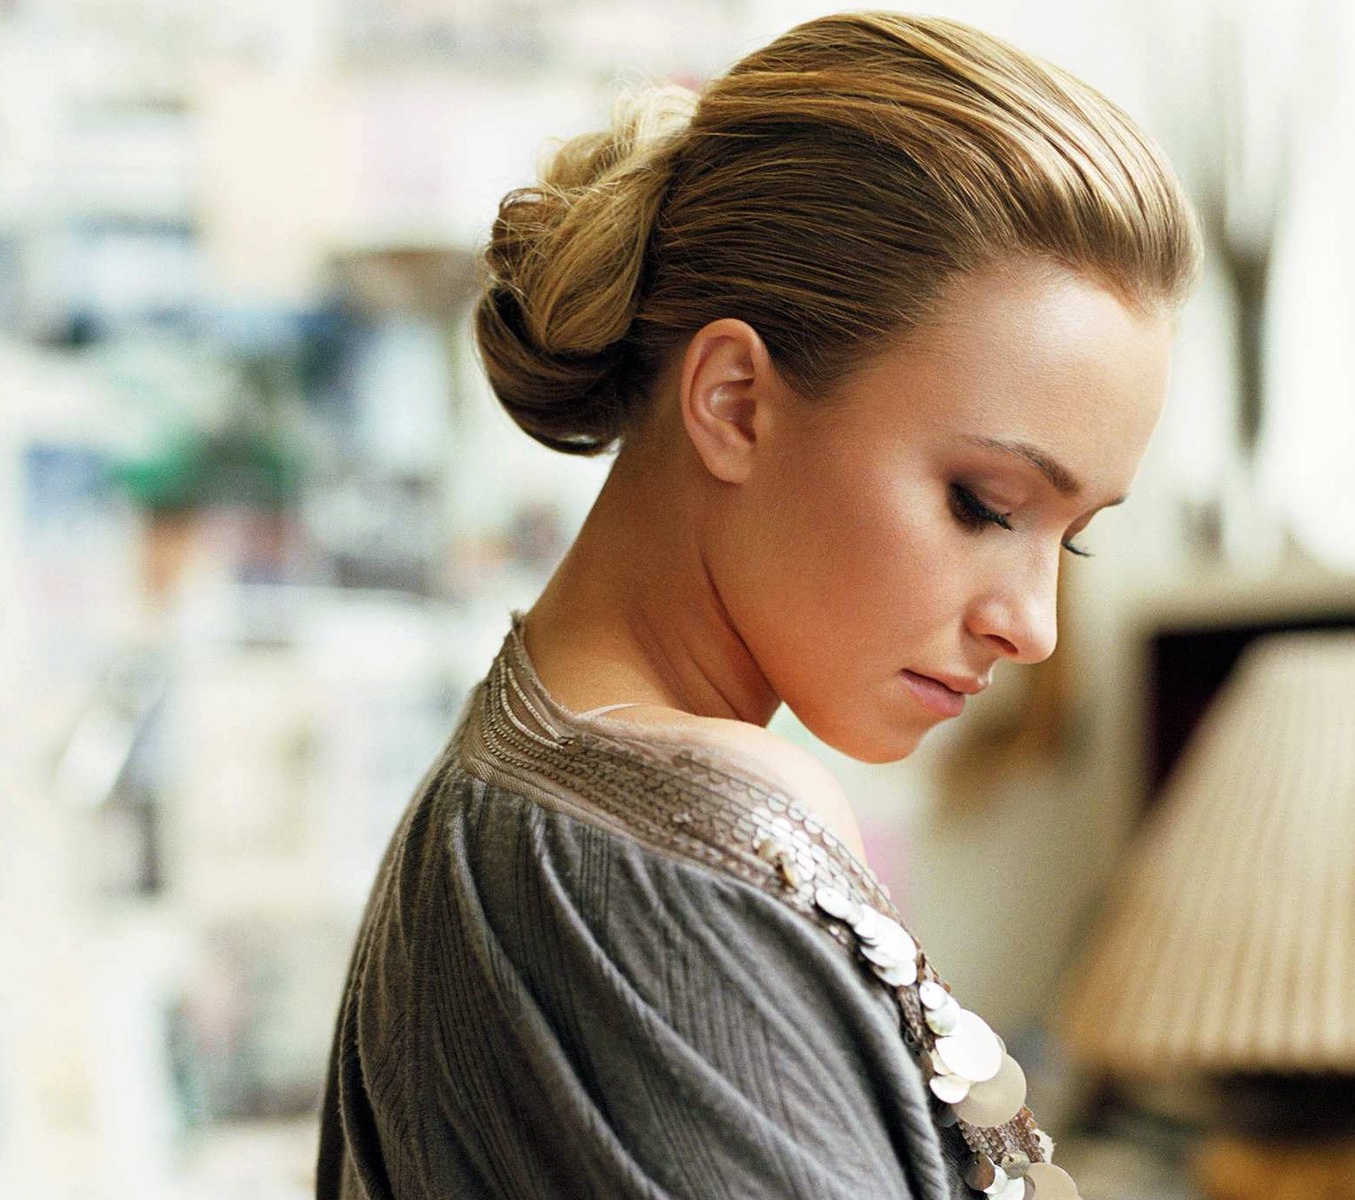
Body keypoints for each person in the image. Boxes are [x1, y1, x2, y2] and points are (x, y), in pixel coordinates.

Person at [314, 11, 1200, 1199]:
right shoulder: (681, 840)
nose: (1031, 626)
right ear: (732, 401)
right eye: (987, 504)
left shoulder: (510, 805)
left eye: (1072, 539)